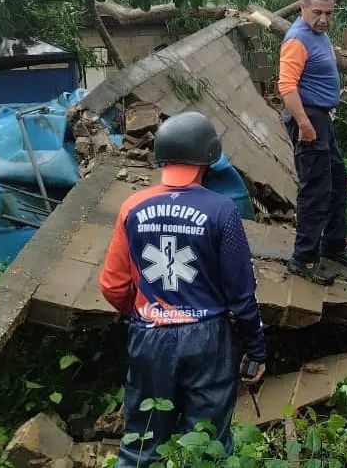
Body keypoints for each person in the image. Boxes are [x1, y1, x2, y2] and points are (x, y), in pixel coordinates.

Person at [99, 111, 267, 467]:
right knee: (207, 445)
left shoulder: (131, 207)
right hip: (207, 340)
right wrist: (255, 349)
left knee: (139, 445)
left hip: (149, 337)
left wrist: (145, 312)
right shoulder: (222, 211)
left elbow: (112, 286)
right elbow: (241, 294)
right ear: (208, 157)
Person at [278, 0, 347, 285]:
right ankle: (304, 258)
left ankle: (333, 245)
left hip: (321, 118)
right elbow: (286, 86)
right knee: (315, 191)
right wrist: (305, 125)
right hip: (308, 118)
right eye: (317, 13)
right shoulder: (297, 39)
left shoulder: (319, 34)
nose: (324, 19)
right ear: (303, 8)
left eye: (329, 13)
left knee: (337, 181)